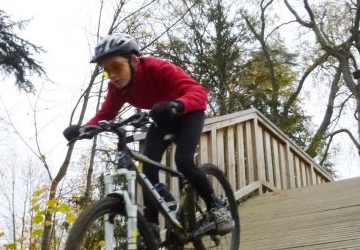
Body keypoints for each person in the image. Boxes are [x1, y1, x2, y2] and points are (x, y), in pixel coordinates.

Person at [63, 33, 234, 237]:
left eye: (116, 67)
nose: (113, 75)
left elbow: (198, 91)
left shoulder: (158, 68)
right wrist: (84, 129)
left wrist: (177, 104)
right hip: (162, 119)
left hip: (189, 112)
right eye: (107, 71)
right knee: (147, 166)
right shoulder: (117, 89)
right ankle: (153, 221)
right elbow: (105, 114)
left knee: (184, 161)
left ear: (134, 61)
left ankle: (216, 206)